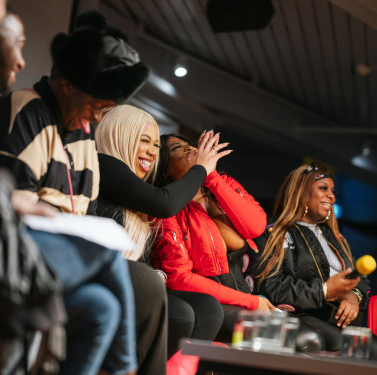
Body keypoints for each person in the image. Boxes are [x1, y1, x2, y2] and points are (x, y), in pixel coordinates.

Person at [0, 10, 166, 375]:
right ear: (67, 84)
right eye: (97, 105)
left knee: (101, 307)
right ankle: (126, 373)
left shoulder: (83, 131)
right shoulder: (25, 111)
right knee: (137, 276)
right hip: (16, 248)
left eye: (106, 110)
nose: (97, 119)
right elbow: (11, 209)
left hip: (57, 257)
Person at [95, 105, 225, 358]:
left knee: (208, 308)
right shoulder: (103, 163)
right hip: (102, 276)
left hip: (133, 279)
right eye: (144, 141)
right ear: (120, 135)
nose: (152, 152)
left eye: (156, 145)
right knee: (179, 314)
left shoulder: (138, 189)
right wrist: (201, 169)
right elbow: (164, 203)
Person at [151, 133, 276, 341]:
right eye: (177, 149)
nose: (190, 149)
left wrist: (211, 176)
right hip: (209, 305)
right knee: (265, 334)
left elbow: (256, 227)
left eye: (190, 145)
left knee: (297, 337)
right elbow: (179, 278)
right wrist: (251, 302)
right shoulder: (168, 209)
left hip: (245, 299)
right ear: (165, 170)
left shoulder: (222, 183)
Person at [251, 162, 373, 353]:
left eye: (333, 190)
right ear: (301, 192)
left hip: (337, 319)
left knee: (370, 347)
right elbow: (271, 286)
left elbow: (361, 280)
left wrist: (353, 297)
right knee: (337, 343)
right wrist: (324, 290)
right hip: (300, 316)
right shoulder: (275, 232)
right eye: (323, 189)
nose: (331, 196)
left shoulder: (337, 238)